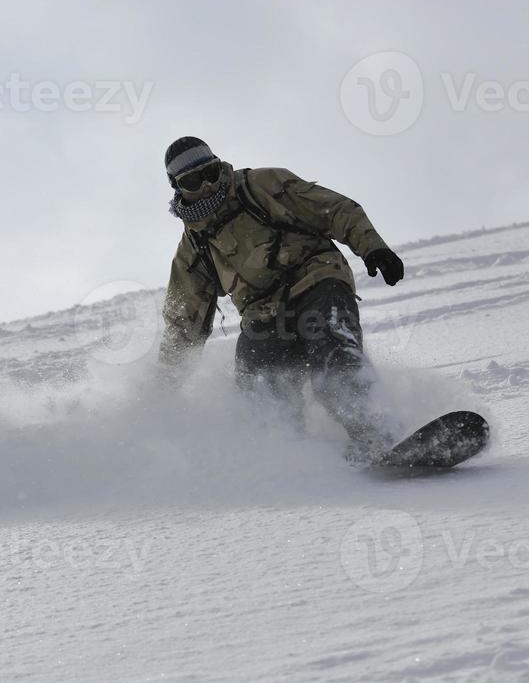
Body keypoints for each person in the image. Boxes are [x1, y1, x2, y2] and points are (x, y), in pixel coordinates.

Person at [157, 136, 406, 458]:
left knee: (334, 359)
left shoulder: (262, 185)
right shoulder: (194, 247)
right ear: (177, 187)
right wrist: (163, 389)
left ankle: (377, 434)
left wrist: (373, 247)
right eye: (193, 180)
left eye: (212, 173)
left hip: (315, 281)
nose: (206, 185)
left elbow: (333, 210)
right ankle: (290, 459)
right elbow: (184, 323)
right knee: (258, 390)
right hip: (263, 315)